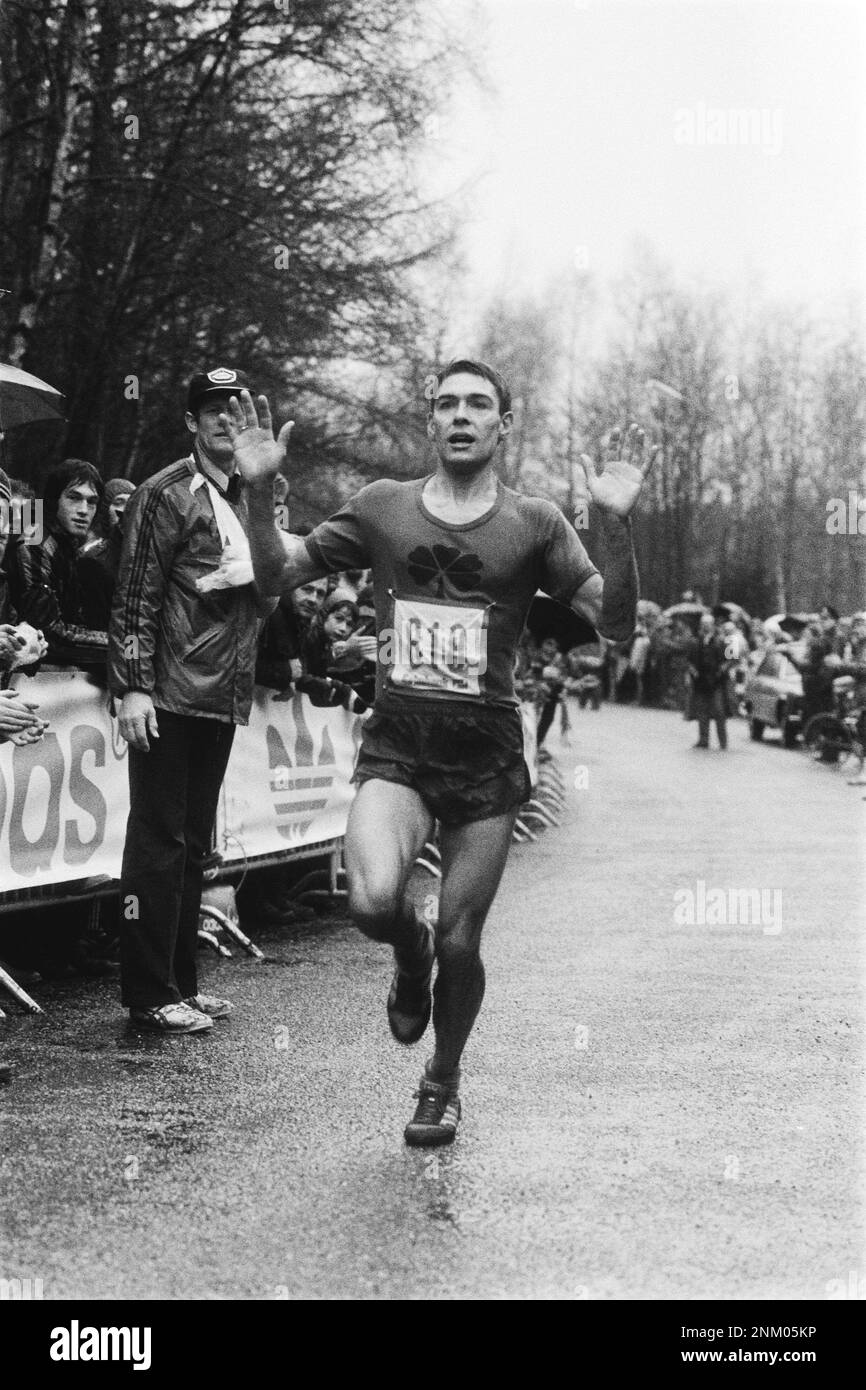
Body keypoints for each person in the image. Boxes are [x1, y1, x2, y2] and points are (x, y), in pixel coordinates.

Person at [228, 357, 656, 1145]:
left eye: (479, 405)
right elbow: (274, 574)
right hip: (399, 746)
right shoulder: (382, 509)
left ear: (503, 425)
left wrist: (618, 526)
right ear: (430, 421)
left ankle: (442, 1079)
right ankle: (406, 948)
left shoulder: (535, 523)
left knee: (465, 940)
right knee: (370, 901)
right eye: (447, 403)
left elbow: (618, 623)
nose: (462, 415)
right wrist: (258, 495)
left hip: (486, 754)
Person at [107, 366, 275, 1035]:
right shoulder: (164, 493)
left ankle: (182, 982)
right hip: (169, 692)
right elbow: (135, 595)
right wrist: (133, 686)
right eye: (211, 410)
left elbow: (271, 594)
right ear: (191, 421)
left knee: (193, 847)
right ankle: (149, 991)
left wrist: (260, 574)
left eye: (235, 408)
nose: (224, 420)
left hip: (222, 694)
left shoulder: (254, 493)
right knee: (157, 841)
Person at [8, 458, 108, 668]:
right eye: (74, 498)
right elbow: (50, 633)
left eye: (92, 502)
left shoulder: (66, 543)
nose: (83, 510)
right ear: (54, 500)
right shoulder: (35, 539)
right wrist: (127, 647)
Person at [685, 612, 731, 750]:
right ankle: (703, 740)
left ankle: (723, 742)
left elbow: (732, 658)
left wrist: (722, 669)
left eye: (708, 624)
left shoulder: (723, 640)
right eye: (703, 624)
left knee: (719, 711)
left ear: (713, 625)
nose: (706, 626)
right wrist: (692, 670)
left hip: (717, 681)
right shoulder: (695, 641)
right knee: (702, 711)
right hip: (700, 681)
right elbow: (688, 660)